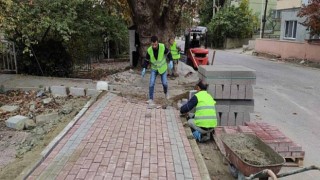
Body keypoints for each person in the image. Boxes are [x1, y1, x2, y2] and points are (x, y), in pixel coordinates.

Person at [141, 35, 173, 108]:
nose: (154, 46)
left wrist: (171, 60)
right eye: (153, 44)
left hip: (162, 68)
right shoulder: (149, 50)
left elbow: (169, 53)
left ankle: (166, 92)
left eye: (155, 44)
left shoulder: (162, 47)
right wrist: (144, 69)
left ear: (157, 42)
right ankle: (151, 99)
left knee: (164, 83)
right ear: (151, 43)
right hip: (154, 69)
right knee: (151, 83)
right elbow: (146, 60)